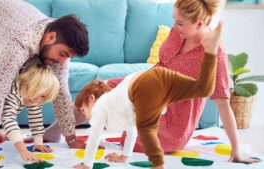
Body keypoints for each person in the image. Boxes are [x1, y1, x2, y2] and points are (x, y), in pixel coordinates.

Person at [99, 0, 258, 164]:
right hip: (147, 87)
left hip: (173, 123)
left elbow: (223, 104)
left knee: (131, 132)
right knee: (99, 88)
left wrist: (236, 148)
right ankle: (71, 135)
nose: (175, 25)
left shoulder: (215, 52)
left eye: (180, 22)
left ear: (199, 23)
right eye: (175, 19)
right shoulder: (178, 31)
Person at [73, 22, 223, 169]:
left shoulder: (100, 107)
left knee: (147, 128)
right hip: (160, 76)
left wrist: (86, 164)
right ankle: (211, 51)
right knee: (202, 90)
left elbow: (94, 137)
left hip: (146, 85)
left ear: (91, 99)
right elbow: (131, 129)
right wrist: (124, 156)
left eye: (84, 111)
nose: (87, 118)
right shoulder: (119, 108)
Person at [0, 0, 89, 168]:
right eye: (63, 54)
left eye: (68, 57)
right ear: (51, 37)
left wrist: (71, 138)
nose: (62, 61)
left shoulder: (57, 46)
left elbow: (62, 93)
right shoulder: (18, 44)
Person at [0, 58, 60, 163]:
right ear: (29, 84)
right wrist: (23, 151)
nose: (38, 100)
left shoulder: (31, 95)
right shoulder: (10, 92)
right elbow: (9, 120)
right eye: (40, 94)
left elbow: (36, 117)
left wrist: (38, 143)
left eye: (43, 97)